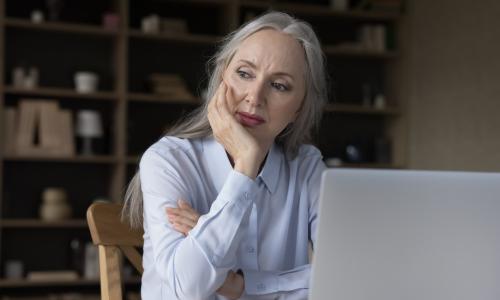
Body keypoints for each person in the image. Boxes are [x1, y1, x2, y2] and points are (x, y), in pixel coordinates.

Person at [122, 11, 328, 300]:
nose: (254, 97)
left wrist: (243, 285)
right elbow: (188, 289)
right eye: (244, 74)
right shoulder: (168, 160)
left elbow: (346, 278)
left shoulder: (306, 167)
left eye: (279, 85)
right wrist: (245, 167)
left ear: (299, 109)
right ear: (221, 78)